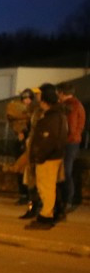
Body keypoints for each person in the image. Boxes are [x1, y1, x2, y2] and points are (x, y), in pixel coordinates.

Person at [25, 84, 68, 229]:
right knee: (48, 187)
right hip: (52, 156)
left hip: (48, 158)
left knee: (46, 188)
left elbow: (50, 139)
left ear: (45, 101)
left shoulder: (52, 117)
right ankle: (48, 213)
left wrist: (39, 156)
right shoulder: (58, 115)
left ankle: (46, 215)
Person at [57, 83, 85, 217]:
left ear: (62, 93)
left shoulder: (70, 106)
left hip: (69, 142)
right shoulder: (78, 104)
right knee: (67, 170)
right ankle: (67, 200)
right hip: (74, 141)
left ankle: (67, 200)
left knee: (65, 171)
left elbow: (71, 126)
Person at [6, 89, 36, 206]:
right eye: (25, 99)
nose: (27, 101)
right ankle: (23, 194)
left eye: (29, 98)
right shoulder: (19, 111)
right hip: (21, 142)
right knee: (19, 169)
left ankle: (31, 195)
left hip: (30, 142)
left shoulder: (35, 112)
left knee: (30, 171)